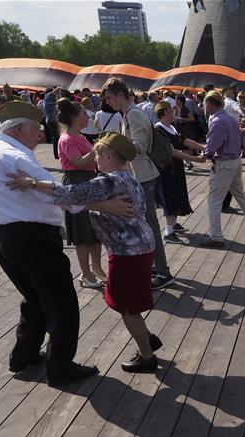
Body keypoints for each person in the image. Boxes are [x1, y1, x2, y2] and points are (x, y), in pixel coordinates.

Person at [0, 101, 128, 385]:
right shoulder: (16, 157)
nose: (39, 135)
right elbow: (63, 194)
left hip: (3, 238)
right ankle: (60, 369)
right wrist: (105, 205)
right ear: (19, 128)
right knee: (61, 303)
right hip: (32, 238)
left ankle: (22, 357)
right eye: (35, 130)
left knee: (34, 298)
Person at [9, 132, 163, 372]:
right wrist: (102, 206)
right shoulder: (128, 178)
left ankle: (147, 356)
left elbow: (70, 194)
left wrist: (32, 183)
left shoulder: (107, 181)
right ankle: (148, 338)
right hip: (137, 246)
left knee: (127, 307)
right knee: (127, 300)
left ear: (109, 155)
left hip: (128, 251)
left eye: (98, 154)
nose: (94, 159)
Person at [102, 77, 174, 290]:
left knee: (149, 225)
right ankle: (156, 266)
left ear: (121, 95)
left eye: (109, 98)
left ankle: (163, 272)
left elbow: (140, 146)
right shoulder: (130, 114)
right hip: (141, 175)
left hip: (142, 176)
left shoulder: (133, 114)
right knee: (146, 223)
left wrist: (115, 145)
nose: (108, 102)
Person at [199, 90, 245, 248]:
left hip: (223, 164)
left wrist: (204, 153)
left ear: (209, 104)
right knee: (240, 195)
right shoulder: (230, 118)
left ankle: (216, 236)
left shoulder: (217, 121)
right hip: (235, 161)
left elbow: (211, 147)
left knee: (214, 200)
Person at [56, 98, 107, 289]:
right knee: (81, 233)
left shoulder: (79, 135)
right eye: (85, 113)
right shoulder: (67, 138)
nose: (88, 116)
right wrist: (96, 148)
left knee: (93, 230)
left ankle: (96, 269)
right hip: (77, 184)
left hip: (87, 182)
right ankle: (86, 274)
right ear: (75, 117)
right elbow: (79, 162)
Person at [154, 101, 203, 244]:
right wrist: (194, 158)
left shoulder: (171, 128)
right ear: (162, 114)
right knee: (170, 196)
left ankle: (173, 224)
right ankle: (168, 232)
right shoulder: (159, 130)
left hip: (175, 167)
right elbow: (172, 151)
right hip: (167, 169)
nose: (173, 113)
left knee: (177, 193)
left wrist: (203, 147)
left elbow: (185, 141)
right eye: (169, 111)